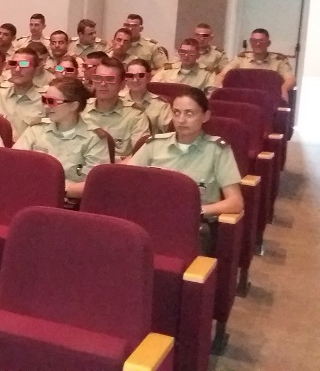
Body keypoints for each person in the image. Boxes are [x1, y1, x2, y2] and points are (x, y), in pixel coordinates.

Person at [128, 88, 245, 253]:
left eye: (189, 113)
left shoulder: (217, 150)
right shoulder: (153, 145)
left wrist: (197, 211)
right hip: (151, 219)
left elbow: (235, 202)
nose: (181, 120)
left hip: (192, 226)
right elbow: (127, 183)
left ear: (205, 116)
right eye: (176, 112)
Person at [13, 77, 110, 199]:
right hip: (30, 195)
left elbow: (96, 183)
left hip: (69, 203)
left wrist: (57, 190)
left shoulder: (94, 138)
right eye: (44, 100)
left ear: (73, 105)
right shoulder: (36, 130)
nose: (46, 106)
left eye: (52, 101)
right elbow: (14, 165)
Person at [81, 57, 151, 158]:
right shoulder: (80, 109)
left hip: (118, 166)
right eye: (98, 78)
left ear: (122, 85)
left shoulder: (135, 115)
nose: (103, 84)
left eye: (110, 79)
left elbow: (140, 155)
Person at [217, 28, 295, 100]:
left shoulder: (279, 61)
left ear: (268, 43)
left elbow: (290, 80)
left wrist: (283, 89)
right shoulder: (241, 59)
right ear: (250, 42)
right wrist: (220, 88)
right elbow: (221, 75)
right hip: (243, 98)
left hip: (268, 99)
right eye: (254, 41)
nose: (257, 44)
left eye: (262, 41)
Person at [0, 47, 47, 140]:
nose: (17, 69)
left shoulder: (45, 101)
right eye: (13, 64)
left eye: (24, 65)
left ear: (35, 70)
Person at [124, 58, 173, 135]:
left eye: (141, 75)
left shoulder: (161, 105)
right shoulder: (117, 100)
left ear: (149, 77)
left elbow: (169, 133)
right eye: (130, 75)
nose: (135, 80)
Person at [152, 38, 217, 93]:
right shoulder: (167, 69)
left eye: (191, 53)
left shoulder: (207, 73)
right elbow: (153, 87)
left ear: (198, 55)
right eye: (182, 51)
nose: (186, 56)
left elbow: (211, 95)